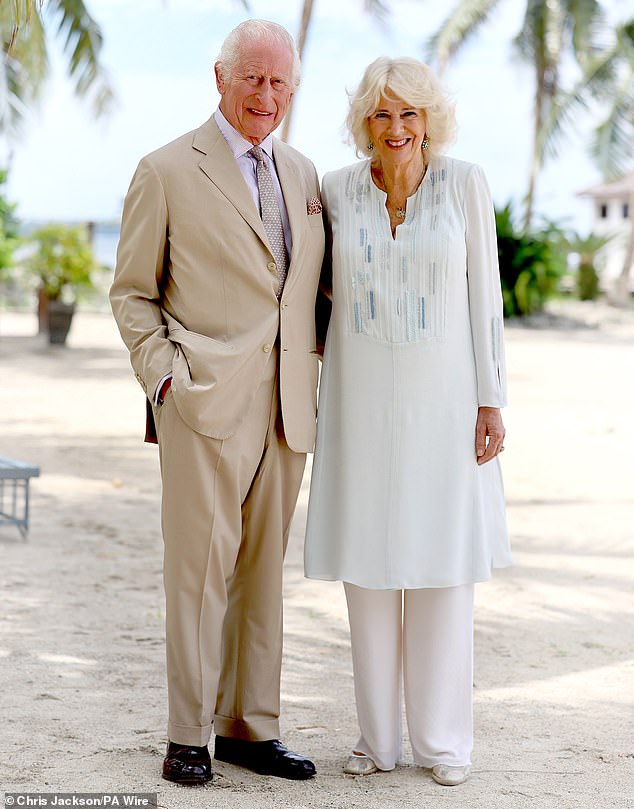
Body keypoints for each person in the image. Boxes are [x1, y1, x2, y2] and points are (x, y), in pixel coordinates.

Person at [110, 19, 324, 785]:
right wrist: (165, 379)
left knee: (263, 572)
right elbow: (132, 293)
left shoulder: (304, 175)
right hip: (201, 403)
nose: (267, 95)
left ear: (293, 88)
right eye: (253, 79)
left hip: (287, 409)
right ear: (220, 77)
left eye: (280, 82)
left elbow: (309, 293)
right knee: (198, 573)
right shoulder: (166, 169)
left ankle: (247, 726)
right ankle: (186, 734)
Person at [304, 56, 512, 787]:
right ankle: (377, 740)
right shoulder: (333, 190)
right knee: (366, 571)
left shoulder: (465, 184)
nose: (397, 128)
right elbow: (307, 291)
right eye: (384, 113)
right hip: (358, 405)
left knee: (443, 571)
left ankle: (445, 742)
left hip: (445, 404)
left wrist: (493, 399)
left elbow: (485, 296)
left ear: (431, 121)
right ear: (366, 121)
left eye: (411, 114)